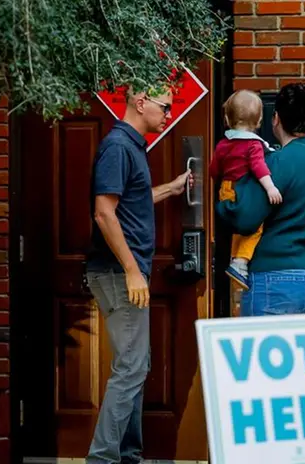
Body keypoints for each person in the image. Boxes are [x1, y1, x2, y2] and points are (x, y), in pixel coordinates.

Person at [84, 86, 192, 464]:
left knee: (136, 365)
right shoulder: (117, 146)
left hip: (124, 272)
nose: (168, 114)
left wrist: (171, 189)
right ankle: (103, 459)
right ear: (140, 102)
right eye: (165, 106)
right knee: (131, 366)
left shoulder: (131, 147)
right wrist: (132, 271)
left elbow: (130, 200)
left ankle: (128, 455)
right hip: (117, 273)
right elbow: (104, 212)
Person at [216, 82, 305, 316]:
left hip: (278, 278)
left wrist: (223, 203)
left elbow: (245, 217)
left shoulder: (277, 162)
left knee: (262, 353)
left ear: (275, 119)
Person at [209, 89, 282, 290]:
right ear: (259, 121)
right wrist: (270, 188)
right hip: (244, 192)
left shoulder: (223, 144)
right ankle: (240, 262)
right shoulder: (253, 145)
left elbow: (214, 169)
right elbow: (259, 167)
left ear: (226, 118)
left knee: (237, 229)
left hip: (226, 190)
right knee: (255, 227)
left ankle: (235, 262)